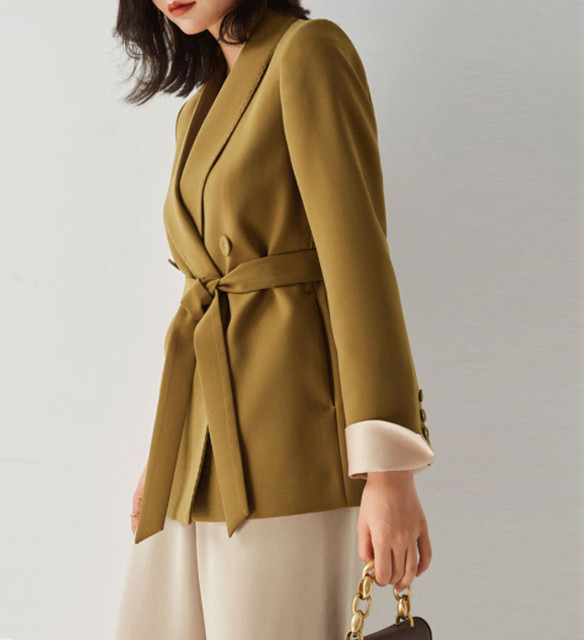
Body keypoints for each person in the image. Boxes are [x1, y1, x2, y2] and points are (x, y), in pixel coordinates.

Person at [113, 1, 436, 638]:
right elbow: (200, 301)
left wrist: (390, 471)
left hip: (290, 438)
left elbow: (359, 267)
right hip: (194, 454)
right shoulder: (196, 111)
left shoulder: (308, 51)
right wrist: (164, 451)